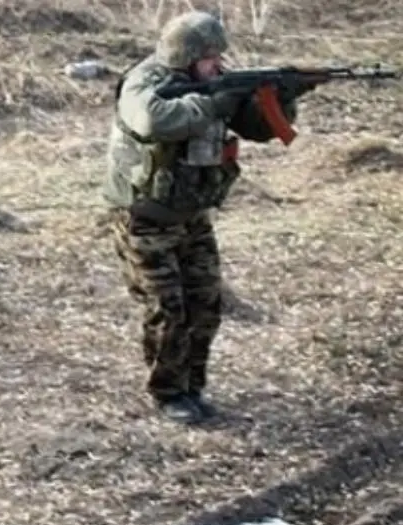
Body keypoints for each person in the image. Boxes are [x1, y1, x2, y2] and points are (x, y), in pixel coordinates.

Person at [102, 11, 317, 424]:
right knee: (168, 307)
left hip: (192, 214)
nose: (218, 65)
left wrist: (286, 96)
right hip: (145, 218)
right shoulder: (144, 82)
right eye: (210, 57)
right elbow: (152, 120)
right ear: (186, 56)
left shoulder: (210, 81)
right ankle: (167, 393)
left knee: (205, 302)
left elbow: (258, 128)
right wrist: (213, 102)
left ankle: (192, 387)